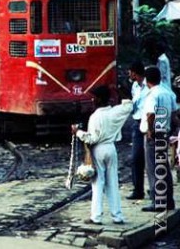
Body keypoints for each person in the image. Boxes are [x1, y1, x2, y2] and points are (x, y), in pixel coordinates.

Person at [71, 86, 132, 225]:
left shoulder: (95, 116)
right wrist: (120, 90)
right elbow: (128, 105)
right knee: (113, 183)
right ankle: (117, 216)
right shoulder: (116, 112)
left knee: (98, 183)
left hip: (98, 150)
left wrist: (78, 132)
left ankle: (96, 217)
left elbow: (91, 139)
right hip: (111, 148)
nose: (92, 100)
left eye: (94, 97)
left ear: (98, 99)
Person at [141, 66, 176, 212]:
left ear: (147, 80)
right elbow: (175, 113)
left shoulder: (152, 95)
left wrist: (150, 130)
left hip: (154, 133)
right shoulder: (168, 93)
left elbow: (150, 114)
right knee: (164, 167)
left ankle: (158, 201)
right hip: (165, 130)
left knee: (153, 168)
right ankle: (168, 200)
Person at [126, 61, 148, 200]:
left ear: (135, 73)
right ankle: (138, 189)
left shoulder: (149, 85)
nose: (129, 74)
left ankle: (156, 189)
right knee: (136, 158)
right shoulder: (134, 86)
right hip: (137, 122)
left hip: (149, 122)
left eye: (130, 72)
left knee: (152, 159)